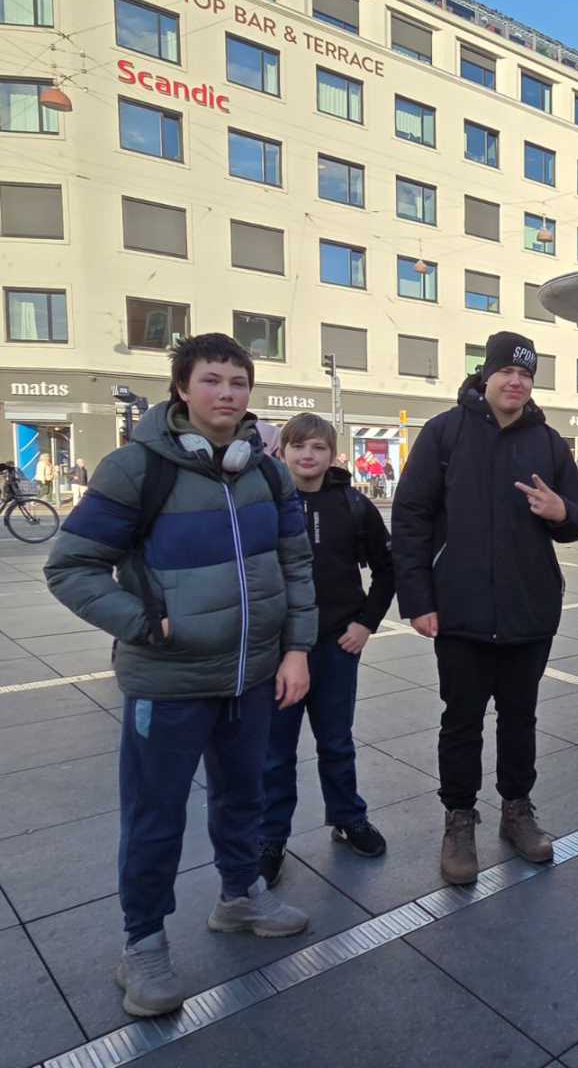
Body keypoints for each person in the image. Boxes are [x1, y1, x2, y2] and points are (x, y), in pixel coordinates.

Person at [44, 334, 316, 1017]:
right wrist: (145, 624)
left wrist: (296, 650)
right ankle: (143, 945)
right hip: (167, 681)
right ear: (182, 389)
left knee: (243, 796)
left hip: (251, 675)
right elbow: (70, 567)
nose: (227, 393)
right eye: (212, 380)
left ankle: (239, 897)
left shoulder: (268, 472)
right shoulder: (135, 468)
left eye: (238, 382)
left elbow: (295, 566)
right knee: (155, 815)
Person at [392, 331, 578, 879]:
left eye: (526, 375)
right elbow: (409, 518)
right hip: (460, 609)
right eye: (507, 371)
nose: (516, 382)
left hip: (530, 608)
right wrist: (418, 600)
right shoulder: (444, 433)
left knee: (520, 717)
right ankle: (459, 819)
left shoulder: (549, 443)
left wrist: (561, 512)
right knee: (461, 721)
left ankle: (516, 811)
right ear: (486, 374)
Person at [258, 413, 395, 886]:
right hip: (277, 650)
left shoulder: (354, 505)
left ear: (332, 454)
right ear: (281, 452)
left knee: (336, 741)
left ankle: (348, 817)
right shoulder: (263, 503)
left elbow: (388, 568)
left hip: (337, 644)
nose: (307, 455)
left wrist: (366, 623)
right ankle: (270, 835)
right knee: (275, 751)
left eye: (317, 447)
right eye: (298, 446)